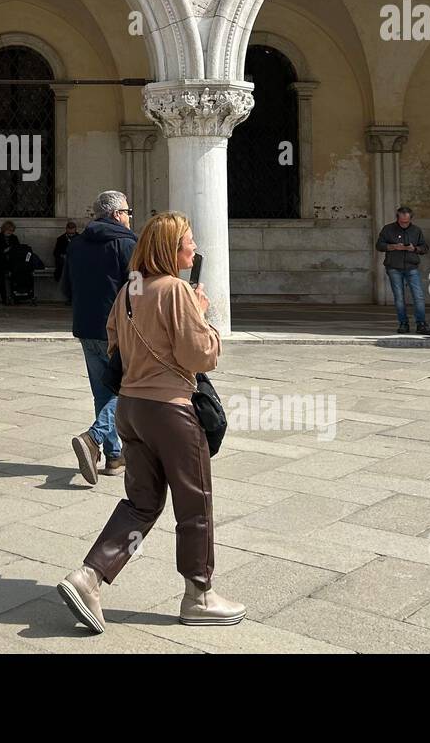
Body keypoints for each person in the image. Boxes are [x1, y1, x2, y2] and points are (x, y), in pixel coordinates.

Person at [57, 211, 244, 633]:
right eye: (188, 241)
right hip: (170, 411)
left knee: (142, 503)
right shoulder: (176, 290)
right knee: (194, 504)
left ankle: (89, 576)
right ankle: (199, 596)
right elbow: (200, 356)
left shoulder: (130, 289)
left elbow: (113, 344)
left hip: (130, 409)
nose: (194, 247)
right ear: (171, 249)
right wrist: (202, 316)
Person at [61, 191, 136, 484]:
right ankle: (93, 438)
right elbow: (138, 291)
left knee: (103, 392)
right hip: (117, 330)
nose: (129, 217)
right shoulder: (127, 244)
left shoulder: (76, 244)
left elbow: (66, 288)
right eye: (127, 212)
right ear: (116, 214)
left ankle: (114, 455)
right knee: (127, 390)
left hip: (85, 326)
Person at [376, 205, 428, 333]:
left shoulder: (416, 230)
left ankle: (421, 323)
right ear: (397, 218)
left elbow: (425, 247)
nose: (404, 224)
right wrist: (393, 247)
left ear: (411, 219)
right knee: (399, 297)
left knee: (418, 296)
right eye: (402, 221)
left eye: (407, 222)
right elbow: (379, 245)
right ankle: (403, 323)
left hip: (412, 266)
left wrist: (414, 249)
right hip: (394, 267)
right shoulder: (388, 229)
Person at [0, 221, 21, 305]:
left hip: (10, 262)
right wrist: (4, 251)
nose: (10, 232)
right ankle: (4, 298)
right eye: (8, 230)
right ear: (4, 229)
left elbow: (18, 249)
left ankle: (15, 297)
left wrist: (12, 251)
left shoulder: (14, 238)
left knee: (17, 273)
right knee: (0, 275)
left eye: (12, 230)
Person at [53, 220, 78, 286]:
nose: (71, 235)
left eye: (72, 233)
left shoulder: (80, 238)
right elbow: (56, 252)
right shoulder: (60, 239)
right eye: (69, 233)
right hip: (64, 260)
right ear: (66, 230)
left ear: (75, 230)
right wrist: (62, 255)